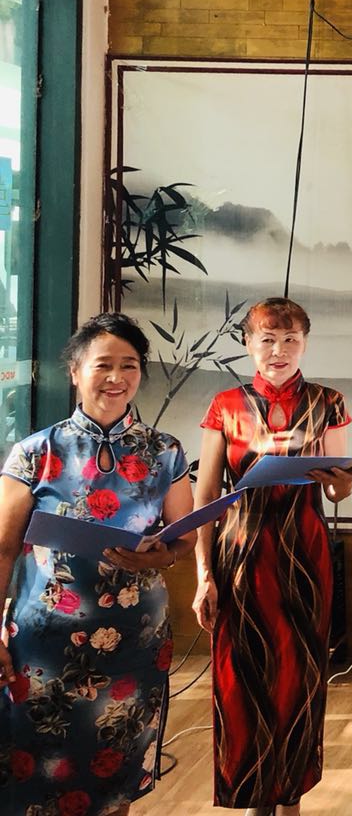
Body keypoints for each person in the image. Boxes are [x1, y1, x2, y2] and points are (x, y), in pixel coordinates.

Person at [0, 313, 195, 814]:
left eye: (129, 365)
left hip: (135, 642)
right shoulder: (34, 453)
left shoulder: (165, 452)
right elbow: (2, 548)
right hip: (43, 645)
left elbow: (185, 538)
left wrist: (164, 553)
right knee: (33, 768)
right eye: (102, 364)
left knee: (117, 767)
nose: (116, 377)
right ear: (75, 372)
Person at [192, 297, 352, 815]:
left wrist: (342, 481)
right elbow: (206, 496)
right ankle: (252, 796)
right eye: (267, 339)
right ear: (248, 344)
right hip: (240, 556)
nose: (278, 350)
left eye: (290, 339)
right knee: (240, 678)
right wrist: (203, 574)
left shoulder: (329, 401)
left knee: (301, 676)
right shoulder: (225, 404)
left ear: (305, 343)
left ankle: (291, 799)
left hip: (305, 557)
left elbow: (337, 493)